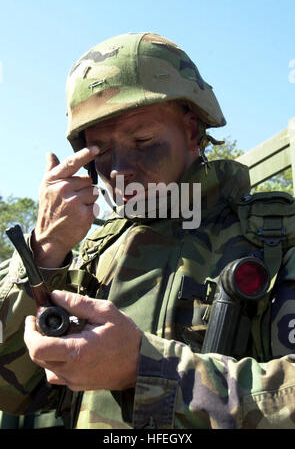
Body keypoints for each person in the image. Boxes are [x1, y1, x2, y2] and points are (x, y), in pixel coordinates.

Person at [1, 32, 295, 430]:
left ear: (192, 132)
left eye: (143, 140)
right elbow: (16, 392)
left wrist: (147, 368)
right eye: (100, 150)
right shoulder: (88, 256)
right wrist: (44, 251)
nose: (120, 169)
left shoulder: (276, 238)